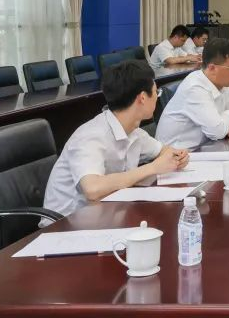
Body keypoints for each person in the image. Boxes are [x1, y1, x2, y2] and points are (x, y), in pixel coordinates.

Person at [43, 60, 189, 218]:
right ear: (142, 98)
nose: (157, 97)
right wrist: (153, 168)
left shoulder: (134, 132)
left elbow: (163, 150)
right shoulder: (91, 136)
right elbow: (92, 189)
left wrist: (176, 158)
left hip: (106, 213)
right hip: (67, 222)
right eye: (156, 92)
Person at [155, 38, 229, 149]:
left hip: (205, 147)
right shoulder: (195, 87)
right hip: (178, 154)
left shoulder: (222, 83)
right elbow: (216, 131)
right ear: (212, 68)